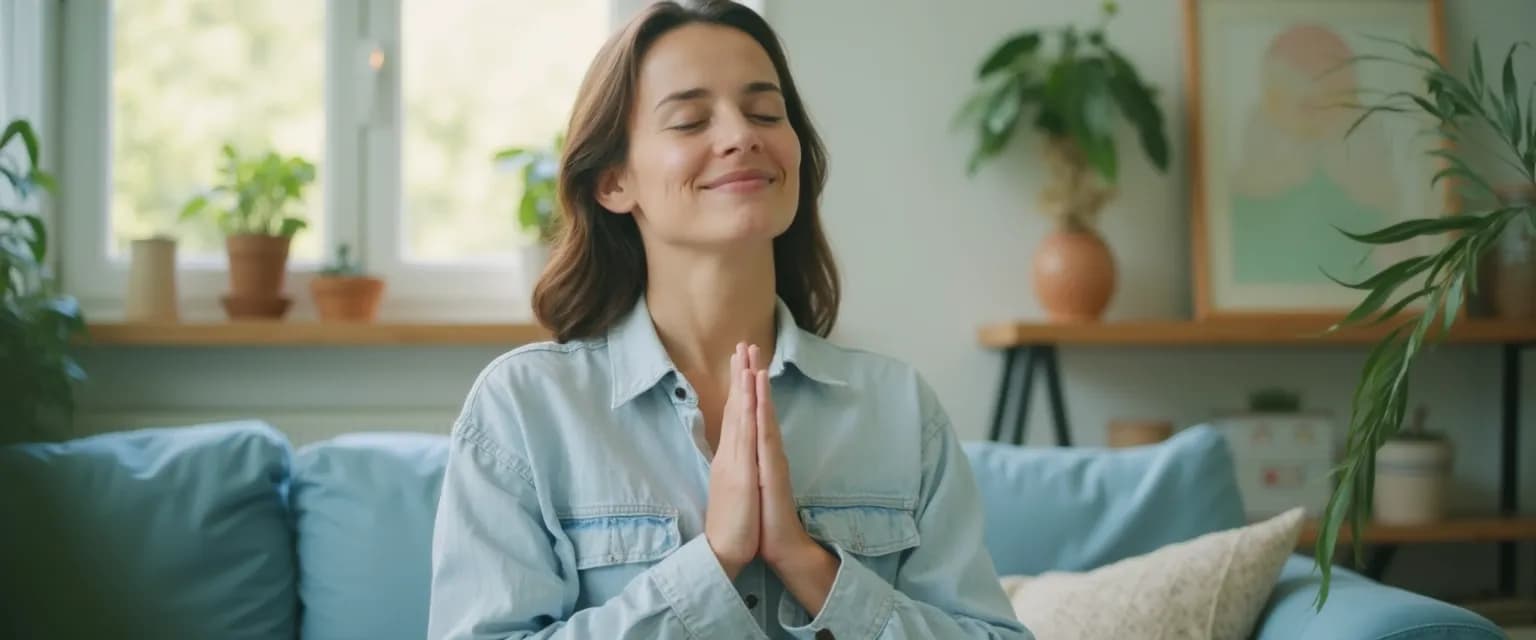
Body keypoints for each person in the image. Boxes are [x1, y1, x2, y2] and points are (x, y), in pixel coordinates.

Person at [425, 2, 1030, 638]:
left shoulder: (899, 409)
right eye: (689, 121)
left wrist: (810, 566)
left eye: (766, 113)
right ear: (612, 182)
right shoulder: (525, 410)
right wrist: (712, 564)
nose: (742, 136)